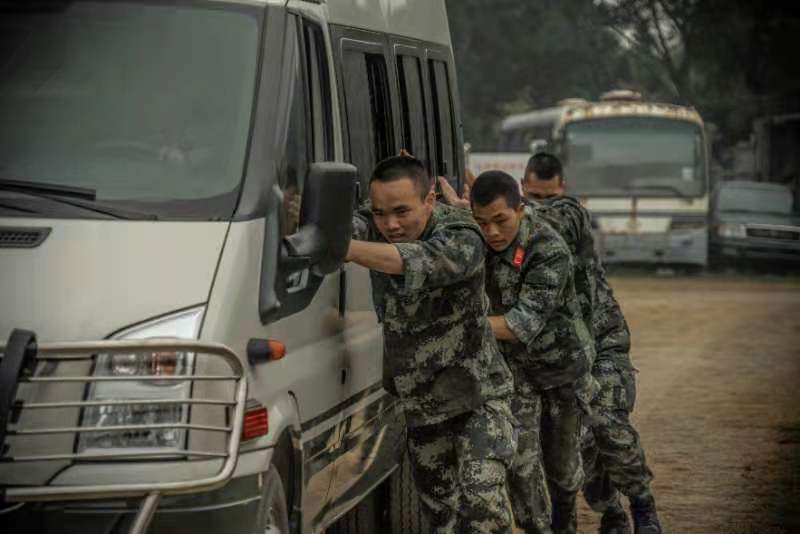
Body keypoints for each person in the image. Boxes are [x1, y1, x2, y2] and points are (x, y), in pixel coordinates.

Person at [346, 154, 517, 534]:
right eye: (380, 213)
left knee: (482, 500)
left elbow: (416, 261)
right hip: (422, 405)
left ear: (430, 200)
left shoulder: (462, 234)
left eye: (402, 212)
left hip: (478, 396)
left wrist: (343, 247)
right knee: (443, 519)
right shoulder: (377, 223)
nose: (390, 224)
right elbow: (349, 221)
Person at [521, 153, 662, 534]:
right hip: (563, 352)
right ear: (522, 186)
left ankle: (642, 505)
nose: (540, 204)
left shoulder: (570, 214)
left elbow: (546, 221)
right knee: (579, 445)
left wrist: (493, 208)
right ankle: (611, 510)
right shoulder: (512, 227)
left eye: (547, 197)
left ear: (562, 190)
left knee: (605, 422)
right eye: (532, 195)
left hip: (603, 343)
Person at [469, 170, 597, 534]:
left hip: (561, 370)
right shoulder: (472, 235)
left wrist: (463, 324)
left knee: (561, 468)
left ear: (520, 210)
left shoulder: (548, 248)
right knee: (520, 465)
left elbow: (519, 324)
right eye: (481, 222)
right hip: (515, 373)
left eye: (500, 221)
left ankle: (565, 520)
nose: (491, 232)